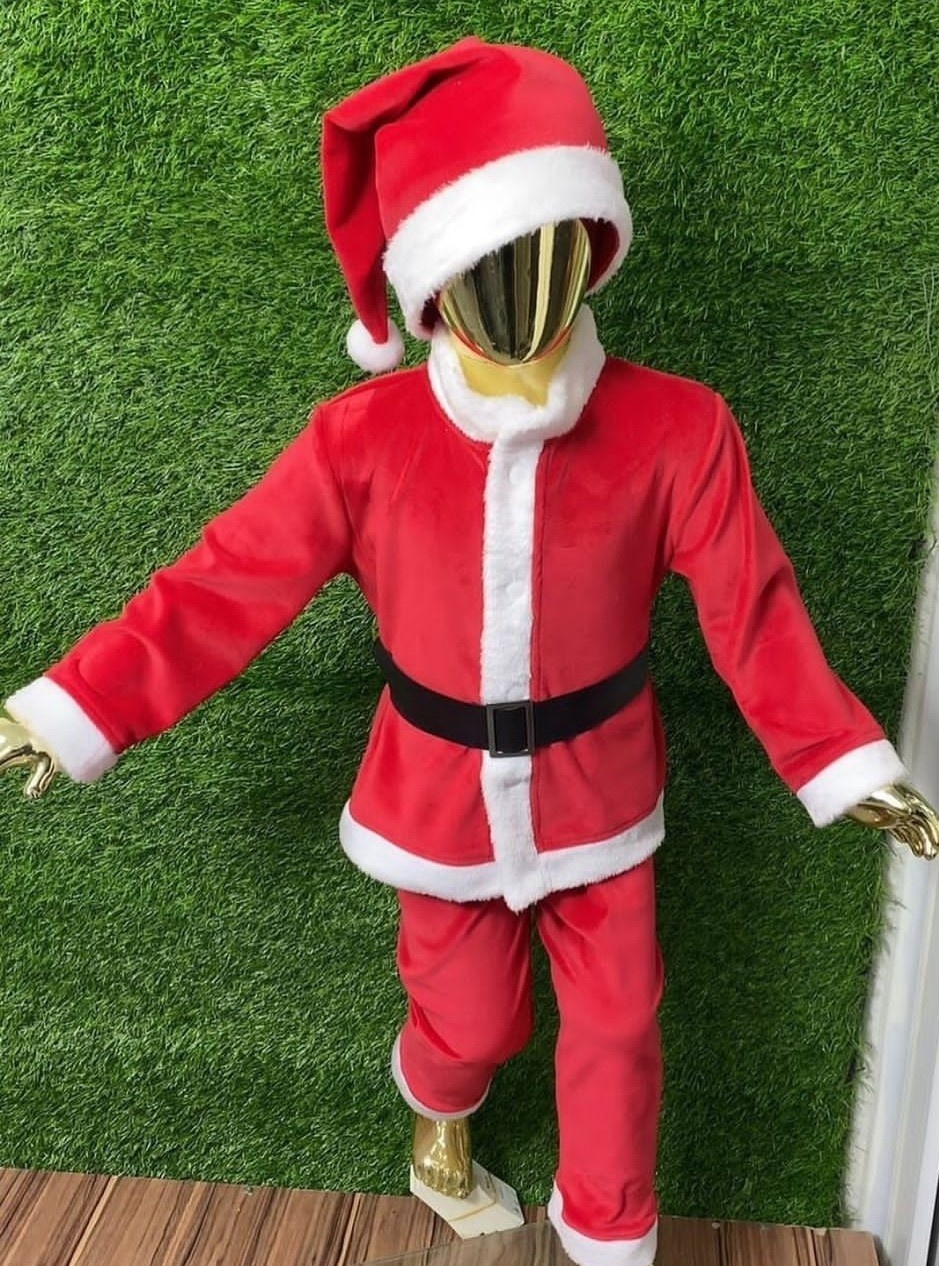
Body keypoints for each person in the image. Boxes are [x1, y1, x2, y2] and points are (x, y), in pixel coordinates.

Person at [2, 38, 936, 1266]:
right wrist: (76, 704)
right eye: (487, 261)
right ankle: (438, 1119)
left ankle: (610, 1235)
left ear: (590, 244)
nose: (521, 300)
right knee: (473, 1023)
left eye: (546, 252)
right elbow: (226, 585)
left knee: (619, 1026)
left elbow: (752, 609)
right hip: (434, 796)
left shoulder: (679, 427)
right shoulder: (360, 439)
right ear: (434, 277)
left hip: (602, 787)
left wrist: (840, 758)